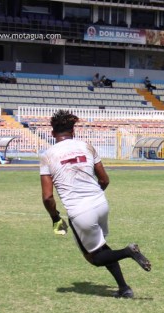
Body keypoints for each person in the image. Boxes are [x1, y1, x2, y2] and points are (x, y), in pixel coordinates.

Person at [40, 110, 151, 299]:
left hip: (79, 211)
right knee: (102, 247)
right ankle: (124, 288)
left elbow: (48, 197)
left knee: (95, 258)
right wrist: (94, 197)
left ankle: (128, 251)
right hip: (101, 203)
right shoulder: (86, 146)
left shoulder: (48, 155)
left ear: (52, 134)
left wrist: (55, 218)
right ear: (73, 132)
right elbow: (105, 179)